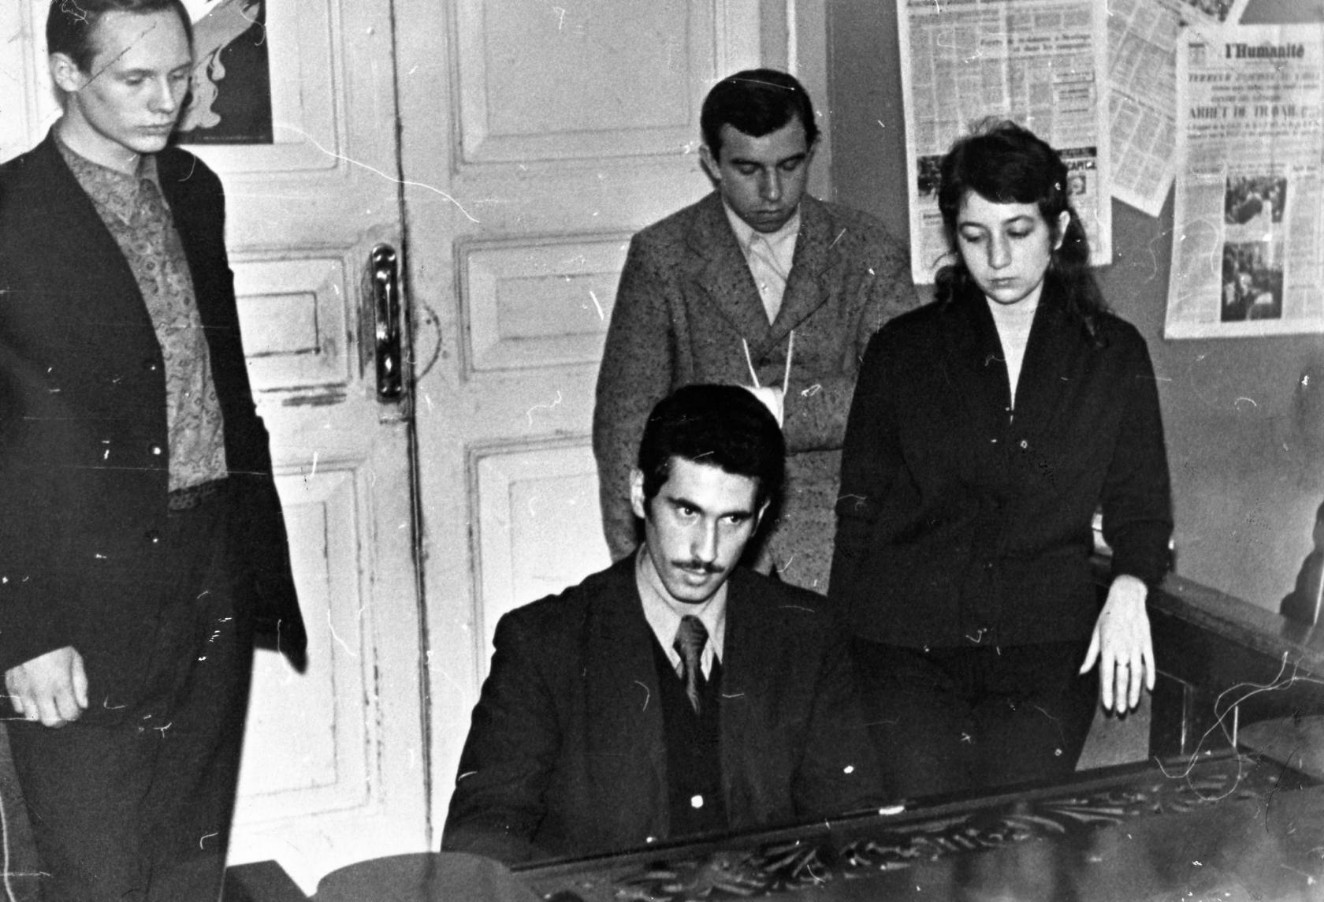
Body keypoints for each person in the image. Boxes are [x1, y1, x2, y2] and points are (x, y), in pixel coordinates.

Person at [0, 2, 306, 898]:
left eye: (178, 75)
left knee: (187, 864)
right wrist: (24, 630)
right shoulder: (9, 215)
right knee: (95, 873)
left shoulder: (194, 188)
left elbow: (219, 373)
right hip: (79, 594)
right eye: (135, 79)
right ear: (66, 74)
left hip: (211, 561)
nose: (166, 101)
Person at [829, 120, 1173, 799]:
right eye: (974, 235)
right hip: (906, 648)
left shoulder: (1113, 354)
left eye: (1018, 231)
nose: (997, 258)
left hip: (1043, 645)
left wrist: (1131, 586)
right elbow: (859, 511)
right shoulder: (902, 350)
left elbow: (1142, 505)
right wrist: (836, 661)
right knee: (932, 834)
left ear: (1058, 228)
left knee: (1017, 839)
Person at [444, 384, 883, 864]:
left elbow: (851, 830)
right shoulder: (544, 643)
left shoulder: (807, 636)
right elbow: (481, 838)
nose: (706, 551)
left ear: (760, 517)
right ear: (640, 493)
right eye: (687, 511)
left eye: (732, 520)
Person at [593, 69, 916, 592]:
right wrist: (637, 578)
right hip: (704, 548)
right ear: (710, 162)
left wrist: (778, 410)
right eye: (747, 169)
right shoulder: (662, 257)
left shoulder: (867, 248)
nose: (772, 192)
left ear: (813, 149)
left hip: (847, 544)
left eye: (790, 166)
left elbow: (901, 397)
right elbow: (625, 428)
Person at [1280, 499, 1324, 625]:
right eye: (1318, 523)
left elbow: (1313, 607)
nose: (1318, 530)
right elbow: (1302, 598)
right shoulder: (1312, 560)